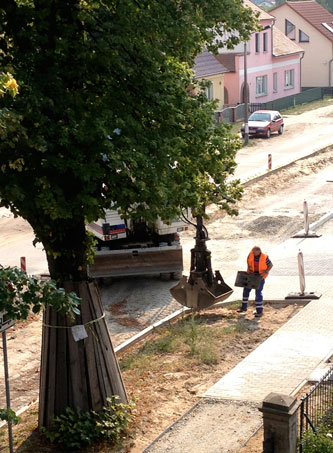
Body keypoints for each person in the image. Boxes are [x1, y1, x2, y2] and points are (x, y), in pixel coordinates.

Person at [239, 246, 273, 317]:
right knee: (246, 291)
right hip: (251, 275)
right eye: (253, 252)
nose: (254, 254)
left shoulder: (264, 257)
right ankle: (244, 307)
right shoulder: (250, 255)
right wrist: (248, 268)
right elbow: (248, 262)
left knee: (258, 293)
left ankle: (259, 311)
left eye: (255, 253)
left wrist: (266, 272)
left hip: (260, 277)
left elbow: (270, 265)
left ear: (259, 252)